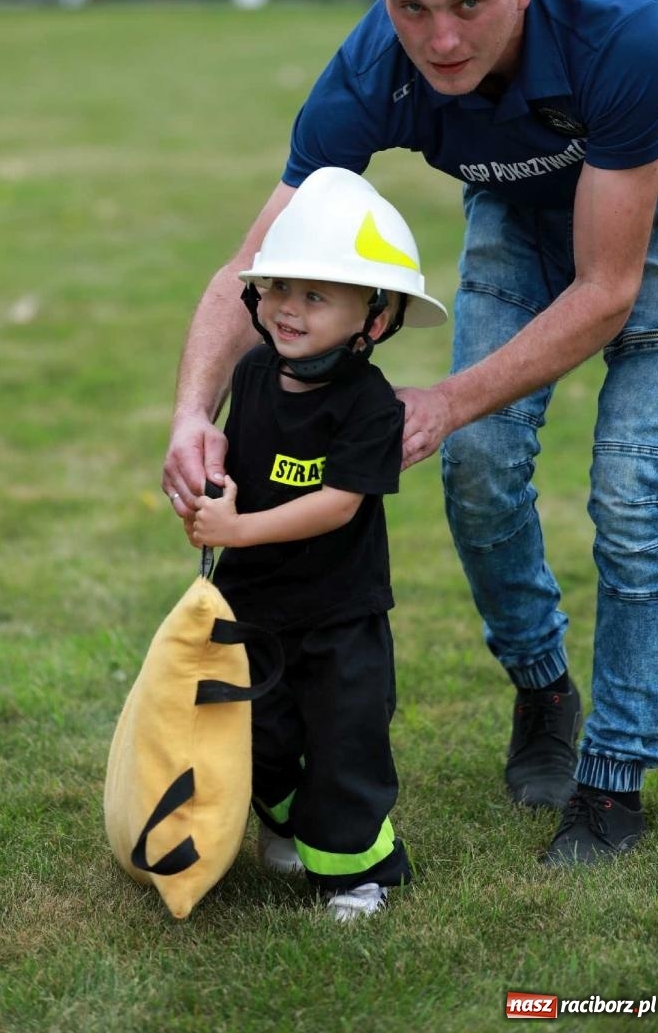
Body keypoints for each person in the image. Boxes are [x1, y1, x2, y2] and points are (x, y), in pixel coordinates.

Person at [163, 0, 658, 868]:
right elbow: (251, 266)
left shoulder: (618, 30)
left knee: (631, 496)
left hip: (654, 220)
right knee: (478, 467)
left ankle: (612, 781)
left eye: (469, 3)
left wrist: (444, 395)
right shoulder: (372, 70)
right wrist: (190, 411)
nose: (440, 38)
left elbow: (605, 288)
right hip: (517, 210)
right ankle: (540, 691)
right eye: (410, 6)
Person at [184, 166, 446, 920]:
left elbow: (337, 505)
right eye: (278, 289)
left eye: (316, 295)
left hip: (341, 613)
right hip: (253, 602)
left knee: (343, 740)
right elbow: (232, 460)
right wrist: (211, 496)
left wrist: (239, 529)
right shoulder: (254, 372)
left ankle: (356, 873)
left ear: (375, 316)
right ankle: (288, 820)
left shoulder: (369, 404)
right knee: (251, 726)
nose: (288, 309)